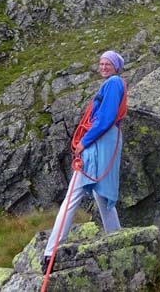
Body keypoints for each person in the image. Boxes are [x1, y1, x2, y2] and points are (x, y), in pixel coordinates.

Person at [41, 50, 127, 274]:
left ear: (116, 66)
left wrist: (84, 142)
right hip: (105, 141)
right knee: (102, 195)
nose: (103, 67)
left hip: (100, 141)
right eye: (101, 63)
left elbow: (106, 118)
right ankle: (118, 242)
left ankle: (50, 252)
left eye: (108, 63)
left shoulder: (114, 82)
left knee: (74, 193)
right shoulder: (112, 84)